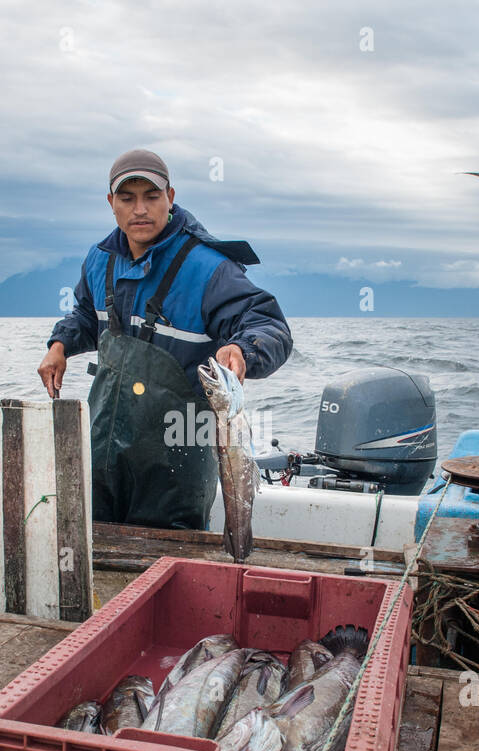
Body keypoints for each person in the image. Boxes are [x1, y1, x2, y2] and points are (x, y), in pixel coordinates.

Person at [39, 148, 292, 530]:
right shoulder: (99, 260)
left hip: (180, 456)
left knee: (171, 568)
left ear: (170, 198)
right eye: (127, 198)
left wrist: (242, 350)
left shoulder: (208, 268)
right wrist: (59, 346)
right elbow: (87, 317)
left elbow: (268, 323)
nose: (140, 209)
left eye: (151, 196)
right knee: (93, 549)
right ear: (112, 204)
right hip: (104, 451)